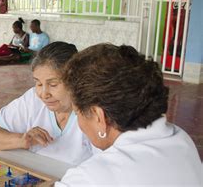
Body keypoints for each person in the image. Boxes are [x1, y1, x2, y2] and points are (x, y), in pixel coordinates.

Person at [55, 44, 202, 185]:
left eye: (77, 113)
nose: (79, 122)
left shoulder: (90, 178)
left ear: (98, 116)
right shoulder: (181, 138)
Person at [0, 42, 93, 165]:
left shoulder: (93, 113)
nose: (44, 94)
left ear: (75, 81)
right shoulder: (33, 99)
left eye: (53, 84)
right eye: (38, 83)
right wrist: (22, 140)